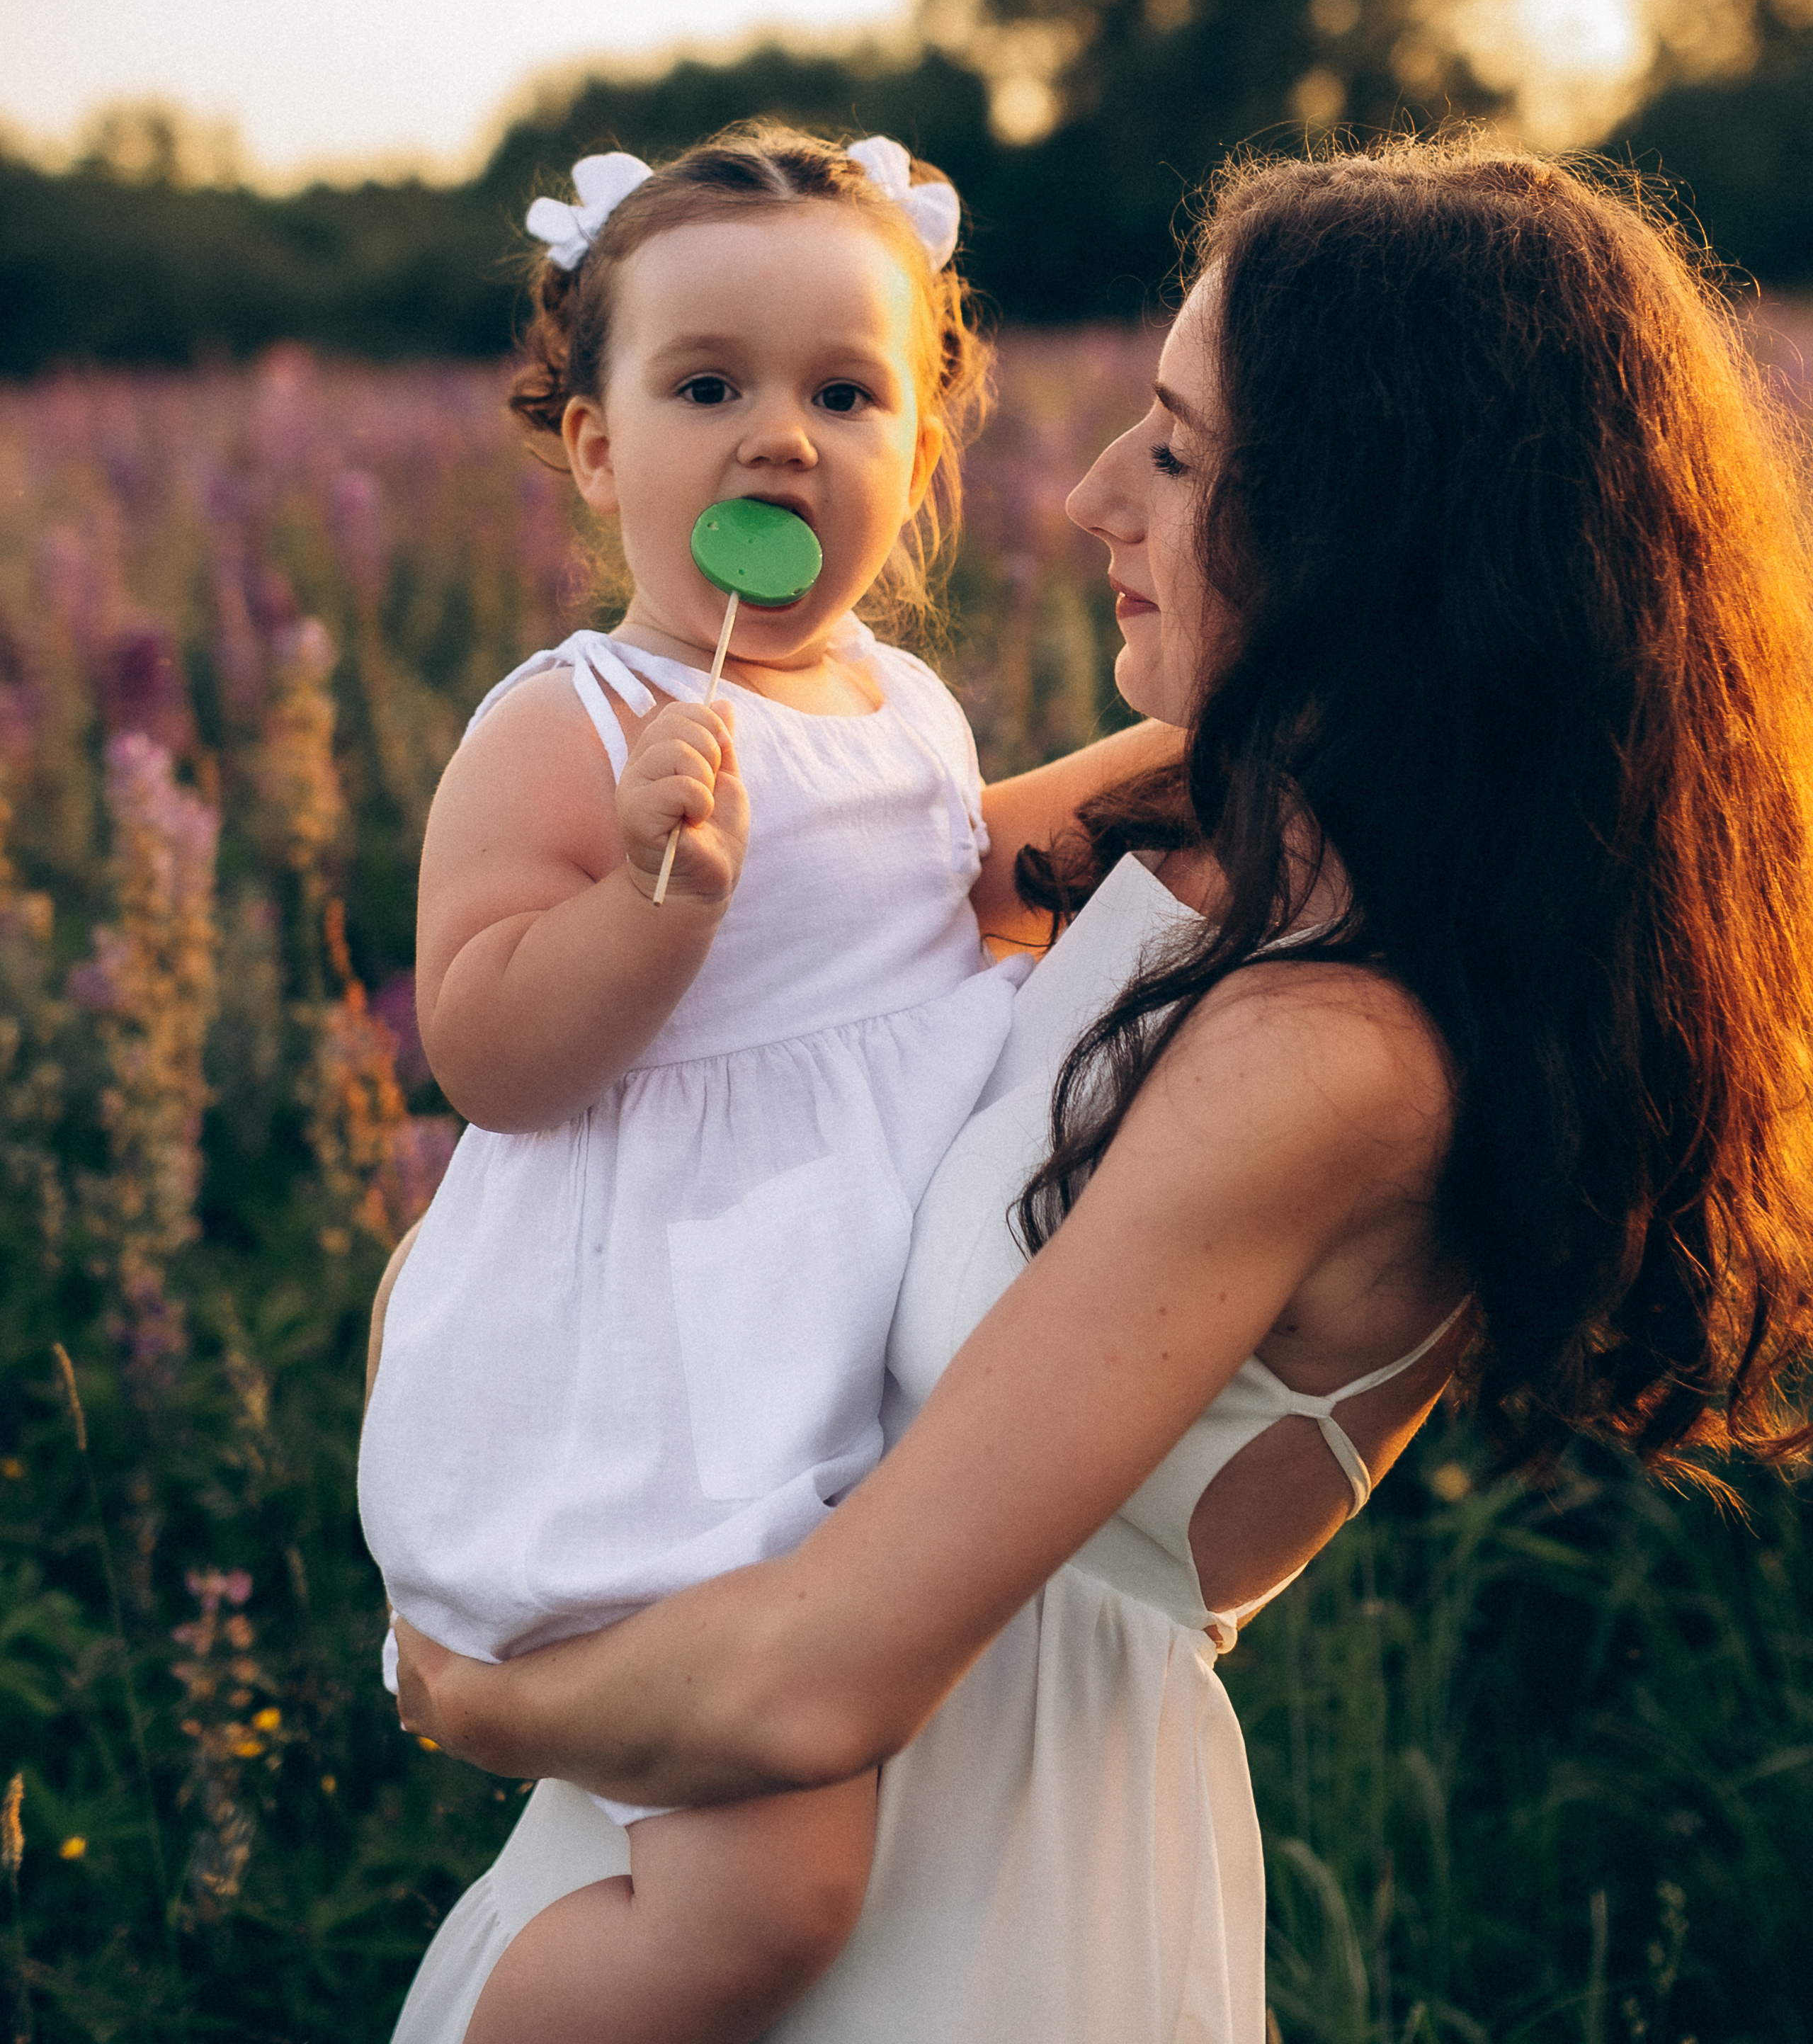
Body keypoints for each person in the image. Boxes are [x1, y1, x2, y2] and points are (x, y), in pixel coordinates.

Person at [392, 144, 1813, 2044]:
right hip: (709, 1801)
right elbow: (787, 970)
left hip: (966, 1896)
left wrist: (462, 1691)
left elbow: (816, 1690)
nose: (1081, 498)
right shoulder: (1220, 805)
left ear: (1366, 525)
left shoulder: (1336, 1055)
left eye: (1173, 449)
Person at [359, 124, 1162, 2044]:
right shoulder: (582, 725)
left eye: (843, 389)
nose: (778, 434)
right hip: (674, 1366)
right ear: (600, 448)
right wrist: (652, 902)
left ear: (924, 449)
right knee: (765, 1901)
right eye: (707, 385)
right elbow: (487, 1052)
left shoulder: (904, 704)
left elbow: (959, 908)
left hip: (850, 1347)